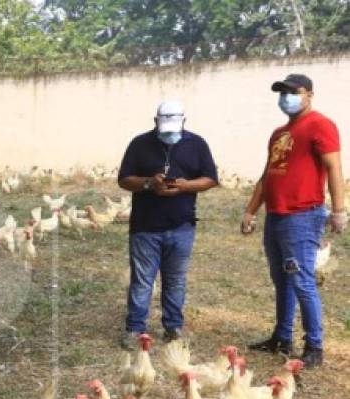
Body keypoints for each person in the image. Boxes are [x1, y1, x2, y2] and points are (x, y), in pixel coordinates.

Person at [241, 73, 346, 368]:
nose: (286, 97)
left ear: (309, 94)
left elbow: (334, 167)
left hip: (302, 215)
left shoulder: (320, 125)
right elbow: (267, 175)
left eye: (292, 91)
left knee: (301, 281)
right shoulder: (279, 133)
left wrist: (339, 210)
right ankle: (282, 337)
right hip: (276, 215)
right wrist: (251, 210)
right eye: (282, 92)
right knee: (282, 280)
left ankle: (314, 345)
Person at [117, 101, 219, 350]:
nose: (169, 134)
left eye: (174, 128)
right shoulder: (139, 144)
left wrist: (185, 186)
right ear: (155, 121)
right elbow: (124, 179)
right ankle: (135, 329)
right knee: (143, 281)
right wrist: (150, 184)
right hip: (145, 226)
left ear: (184, 121)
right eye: (165, 129)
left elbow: (210, 179)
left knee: (175, 280)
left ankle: (173, 327)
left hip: (181, 226)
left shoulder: (197, 144)